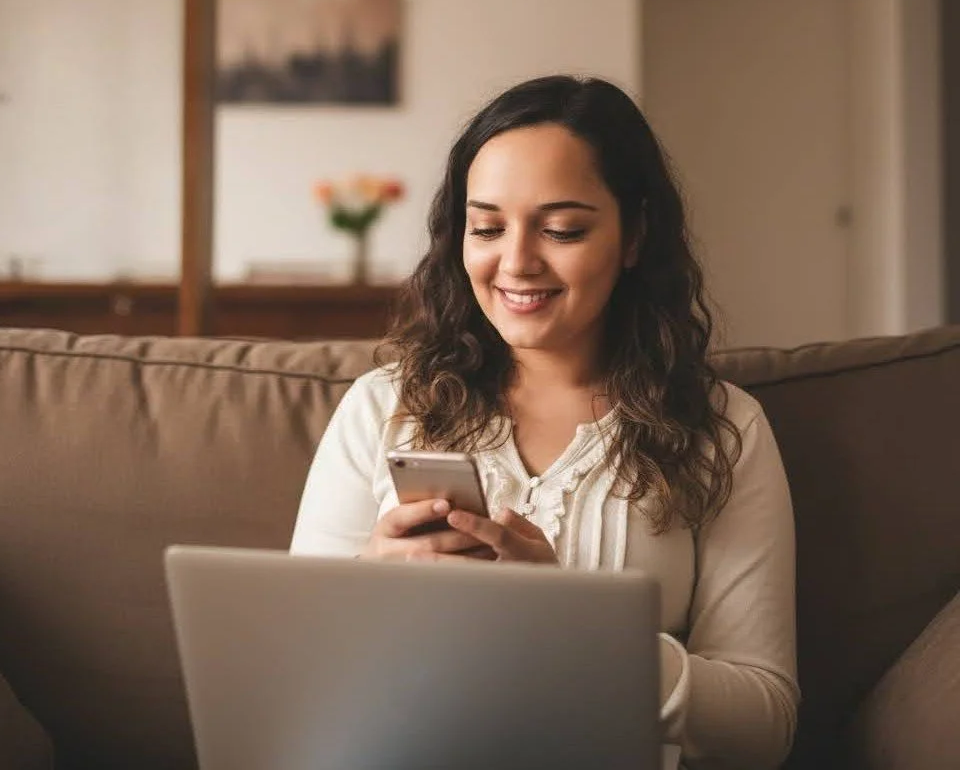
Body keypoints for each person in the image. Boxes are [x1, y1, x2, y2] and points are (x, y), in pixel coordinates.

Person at [290, 75, 798, 769]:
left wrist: (577, 622)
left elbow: (764, 725)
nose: (517, 262)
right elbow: (293, 684)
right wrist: (369, 584)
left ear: (635, 235)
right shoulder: (384, 406)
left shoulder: (722, 430)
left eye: (562, 229)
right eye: (488, 227)